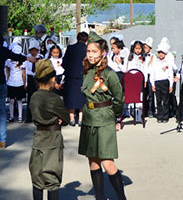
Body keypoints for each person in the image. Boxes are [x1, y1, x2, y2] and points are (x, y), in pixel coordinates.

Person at [78, 39, 126, 200]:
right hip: (89, 118)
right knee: (93, 161)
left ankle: (121, 197)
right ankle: (99, 197)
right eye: (88, 51)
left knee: (107, 162)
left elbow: (119, 98)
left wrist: (115, 118)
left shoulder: (110, 74)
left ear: (103, 53)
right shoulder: (87, 71)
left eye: (94, 52)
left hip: (105, 118)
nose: (90, 55)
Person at [29, 59, 69, 200]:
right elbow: (66, 119)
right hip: (53, 138)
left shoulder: (34, 97)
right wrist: (59, 119)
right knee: (52, 179)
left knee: (37, 178)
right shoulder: (54, 98)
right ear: (52, 79)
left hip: (39, 138)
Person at [63, 32, 88, 126]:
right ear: (86, 40)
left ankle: (72, 119)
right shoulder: (87, 50)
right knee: (82, 98)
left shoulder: (70, 48)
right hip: (83, 76)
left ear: (77, 39)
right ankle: (81, 119)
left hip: (71, 77)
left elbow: (64, 62)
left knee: (71, 98)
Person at [150, 39, 174, 123]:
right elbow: (152, 74)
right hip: (157, 82)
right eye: (159, 52)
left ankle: (165, 116)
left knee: (166, 100)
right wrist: (153, 84)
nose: (160, 54)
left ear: (165, 53)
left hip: (165, 82)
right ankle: (159, 116)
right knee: (158, 100)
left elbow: (170, 74)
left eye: (162, 53)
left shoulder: (168, 62)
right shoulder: (155, 62)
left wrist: (171, 85)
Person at [5, 46, 27, 123]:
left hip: (19, 82)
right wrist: (7, 81)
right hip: (11, 82)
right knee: (11, 100)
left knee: (19, 100)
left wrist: (24, 84)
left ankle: (20, 116)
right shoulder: (8, 61)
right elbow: (7, 71)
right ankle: (11, 116)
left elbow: (24, 74)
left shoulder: (23, 62)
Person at [25, 39, 43, 123]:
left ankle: (39, 117)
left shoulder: (41, 57)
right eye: (32, 50)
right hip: (30, 78)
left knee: (39, 99)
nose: (33, 52)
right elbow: (25, 70)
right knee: (30, 98)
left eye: (35, 50)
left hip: (38, 78)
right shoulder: (27, 57)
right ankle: (29, 117)